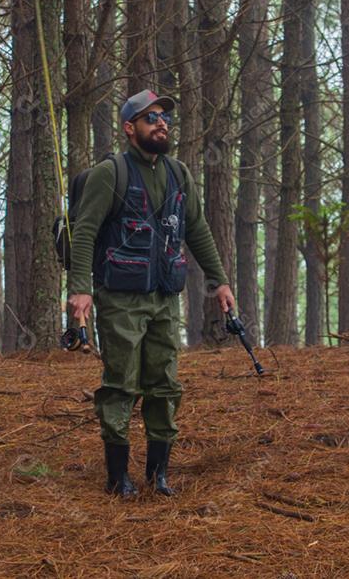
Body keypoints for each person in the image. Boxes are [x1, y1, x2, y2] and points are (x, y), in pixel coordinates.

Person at [67, 89, 235, 498]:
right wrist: (80, 289)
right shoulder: (112, 174)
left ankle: (158, 475)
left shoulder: (179, 173)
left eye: (165, 118)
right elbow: (85, 230)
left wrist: (220, 281)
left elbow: (196, 229)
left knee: (165, 385)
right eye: (151, 118)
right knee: (121, 384)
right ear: (129, 128)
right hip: (120, 297)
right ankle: (117, 478)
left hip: (164, 298)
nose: (161, 123)